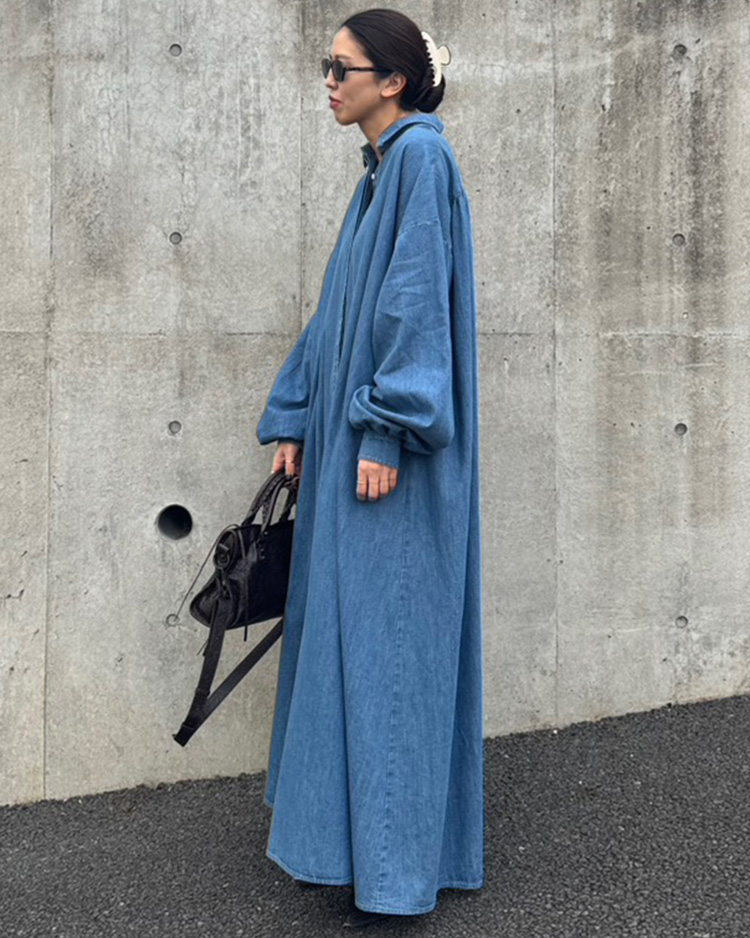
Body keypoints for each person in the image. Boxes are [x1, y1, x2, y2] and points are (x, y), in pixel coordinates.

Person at [255, 8, 484, 929]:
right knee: (356, 641)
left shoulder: (421, 161)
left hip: (394, 460)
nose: (327, 81)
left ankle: (394, 875)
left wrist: (385, 432)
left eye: (339, 67)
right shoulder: (380, 170)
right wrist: (297, 416)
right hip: (351, 448)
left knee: (390, 649)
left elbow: (415, 305)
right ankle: (356, 852)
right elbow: (338, 309)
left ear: (392, 81)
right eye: (327, 64)